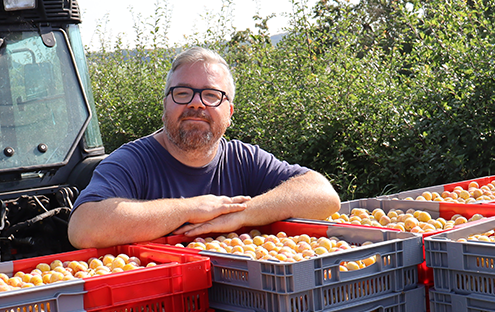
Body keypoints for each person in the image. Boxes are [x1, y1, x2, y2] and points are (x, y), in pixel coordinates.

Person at [68, 47, 340, 248]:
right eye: (183, 93)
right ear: (165, 105)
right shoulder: (131, 162)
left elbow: (323, 195)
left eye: (211, 95)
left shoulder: (243, 159)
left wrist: (241, 215)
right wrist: (192, 208)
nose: (196, 104)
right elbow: (84, 228)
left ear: (229, 111)